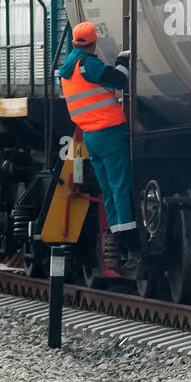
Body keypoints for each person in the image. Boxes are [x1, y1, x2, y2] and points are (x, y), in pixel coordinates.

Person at [57, 21, 139, 264]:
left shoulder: (67, 70)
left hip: (90, 136)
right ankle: (131, 243)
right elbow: (119, 80)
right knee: (121, 186)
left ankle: (118, 234)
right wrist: (123, 60)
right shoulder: (88, 64)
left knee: (109, 190)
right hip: (110, 132)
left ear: (74, 42)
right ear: (93, 43)